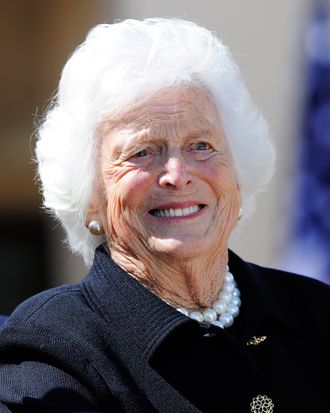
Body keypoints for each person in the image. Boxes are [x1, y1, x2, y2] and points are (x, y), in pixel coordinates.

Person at [0, 17, 329, 413]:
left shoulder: (316, 311)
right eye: (142, 152)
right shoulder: (51, 345)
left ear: (239, 176)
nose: (177, 175)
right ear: (90, 197)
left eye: (202, 145)